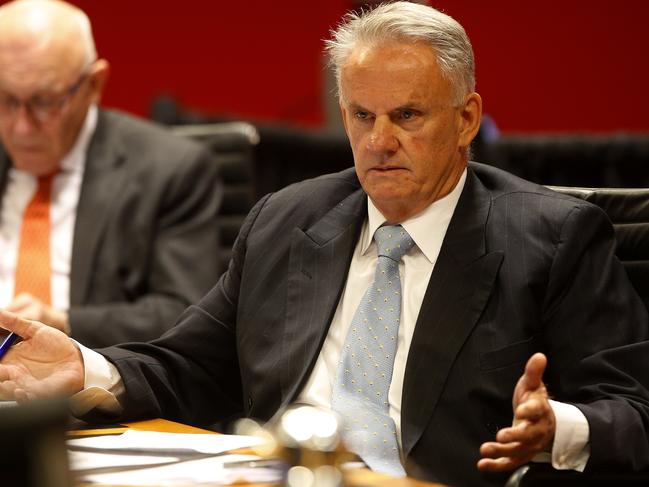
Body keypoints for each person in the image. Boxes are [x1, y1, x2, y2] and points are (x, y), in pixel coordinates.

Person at [1, 2, 649, 485]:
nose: (378, 140)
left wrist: (556, 427)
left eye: (407, 115)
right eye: (360, 115)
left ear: (466, 119)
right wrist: (86, 367)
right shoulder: (287, 218)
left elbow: (633, 408)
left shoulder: (552, 236)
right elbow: (193, 366)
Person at [0, 0, 222, 347]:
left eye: (44, 102)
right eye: (4, 99)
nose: (21, 128)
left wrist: (61, 322)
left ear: (93, 84)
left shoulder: (170, 170)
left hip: (88, 386)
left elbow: (186, 313)